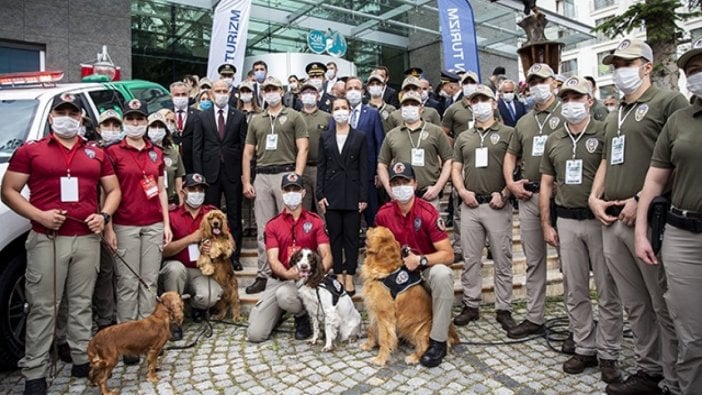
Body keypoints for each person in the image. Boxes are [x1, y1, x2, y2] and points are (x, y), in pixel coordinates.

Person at [587, 37, 688, 395]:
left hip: (644, 217)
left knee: (663, 302)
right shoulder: (616, 111)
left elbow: (678, 158)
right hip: (611, 217)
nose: (619, 71)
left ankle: (677, 378)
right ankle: (649, 368)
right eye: (615, 64)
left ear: (647, 66)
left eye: (627, 63)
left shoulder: (667, 101)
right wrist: (594, 197)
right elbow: (604, 159)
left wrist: (640, 199)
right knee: (635, 302)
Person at [1, 93, 120, 394]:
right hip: (47, 239)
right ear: (52, 117)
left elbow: (113, 189)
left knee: (81, 303)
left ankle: (81, 357)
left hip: (86, 239)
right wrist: (39, 214)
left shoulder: (95, 154)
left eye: (72, 113)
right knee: (44, 307)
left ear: (80, 118)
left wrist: (104, 216)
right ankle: (35, 371)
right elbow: (9, 191)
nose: (67, 117)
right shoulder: (31, 151)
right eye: (61, 112)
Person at [539, 76, 624, 383]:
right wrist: (546, 223)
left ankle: (610, 352)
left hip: (600, 221)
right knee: (575, 290)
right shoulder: (554, 138)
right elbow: (546, 184)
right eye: (566, 99)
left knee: (607, 289)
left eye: (577, 98)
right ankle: (584, 346)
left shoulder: (604, 131)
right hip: (567, 221)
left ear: (590, 100)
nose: (571, 103)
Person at [635, 37, 702, 395]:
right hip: (683, 234)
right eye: (693, 70)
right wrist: (642, 231)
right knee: (690, 330)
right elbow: (655, 179)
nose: (699, 75)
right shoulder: (679, 120)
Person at [104, 99, 172, 366]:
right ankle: (127, 339)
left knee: (149, 282)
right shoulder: (113, 152)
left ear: (146, 122)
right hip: (125, 223)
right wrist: (108, 226)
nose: (135, 124)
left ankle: (147, 337)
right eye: (130, 119)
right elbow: (107, 192)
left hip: (153, 223)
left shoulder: (155, 152)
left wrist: (166, 224)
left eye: (139, 119)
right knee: (127, 284)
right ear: (124, 122)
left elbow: (161, 190)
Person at [503, 63, 566, 340]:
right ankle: (534, 316)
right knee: (534, 260)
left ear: (554, 82)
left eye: (543, 80)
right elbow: (510, 155)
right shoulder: (524, 121)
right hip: (529, 195)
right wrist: (509, 182)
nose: (538, 85)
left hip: (560, 197)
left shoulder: (566, 112)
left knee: (569, 262)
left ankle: (578, 325)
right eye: (533, 81)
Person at [375, 162, 454, 368]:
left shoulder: (427, 212)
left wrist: (421, 260)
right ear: (390, 187)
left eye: (405, 182)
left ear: (415, 183)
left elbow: (448, 254)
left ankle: (437, 342)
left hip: (423, 270)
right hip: (396, 272)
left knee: (442, 274)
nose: (400, 187)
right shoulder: (383, 214)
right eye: (396, 183)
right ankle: (395, 331)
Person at [450, 85, 516, 332]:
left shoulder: (509, 133)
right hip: (471, 204)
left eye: (484, 99)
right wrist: (462, 191)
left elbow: (516, 167)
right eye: (475, 100)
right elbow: (456, 168)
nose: (479, 103)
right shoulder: (465, 137)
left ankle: (504, 308)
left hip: (497, 203)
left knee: (502, 257)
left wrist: (506, 192)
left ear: (494, 102)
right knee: (470, 258)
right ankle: (471, 304)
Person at [242, 76, 309, 294]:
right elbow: (248, 152)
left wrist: (296, 179)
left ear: (282, 91)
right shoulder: (256, 119)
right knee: (264, 229)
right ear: (262, 93)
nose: (270, 92)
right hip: (262, 174)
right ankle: (263, 273)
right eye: (266, 89)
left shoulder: (294, 116)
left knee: (290, 226)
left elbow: (303, 148)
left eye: (274, 89)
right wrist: (246, 179)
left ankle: (290, 269)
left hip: (286, 174)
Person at [247, 173, 332, 342]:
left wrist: (316, 275)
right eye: (287, 190)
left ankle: (302, 317)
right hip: (280, 278)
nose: (291, 193)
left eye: (296, 189)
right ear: (282, 192)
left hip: (307, 279)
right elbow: (272, 259)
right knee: (255, 334)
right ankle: (279, 313)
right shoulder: (273, 225)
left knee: (285, 295)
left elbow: (327, 255)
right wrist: (287, 274)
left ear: (303, 193)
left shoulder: (315, 222)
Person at [193, 79, 248, 272]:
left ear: (230, 92)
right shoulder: (202, 117)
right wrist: (200, 176)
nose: (222, 93)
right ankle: (213, 253)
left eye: (225, 90)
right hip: (210, 174)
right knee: (210, 216)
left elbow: (244, 148)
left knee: (234, 214)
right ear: (211, 93)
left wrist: (244, 174)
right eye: (218, 90)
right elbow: (197, 148)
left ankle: (234, 255)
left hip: (232, 172)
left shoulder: (239, 117)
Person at [316, 97, 368, 295]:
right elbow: (322, 166)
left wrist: (363, 195)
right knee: (335, 237)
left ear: (350, 111)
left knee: (352, 237)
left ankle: (350, 275)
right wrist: (320, 193)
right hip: (331, 193)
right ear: (332, 112)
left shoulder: (359, 137)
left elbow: (364, 167)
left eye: (344, 108)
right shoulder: (325, 137)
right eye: (336, 108)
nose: (340, 111)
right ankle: (338, 273)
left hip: (353, 193)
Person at [160, 173, 223, 336]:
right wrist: (189, 239)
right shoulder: (172, 216)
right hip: (176, 268)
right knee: (175, 269)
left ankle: (193, 307)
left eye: (201, 189)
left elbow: (228, 240)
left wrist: (216, 248)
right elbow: (163, 250)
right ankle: (174, 321)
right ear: (183, 191)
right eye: (192, 189)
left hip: (200, 270)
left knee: (211, 296)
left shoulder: (212, 214)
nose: (197, 193)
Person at [378, 90, 453, 211]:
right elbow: (382, 164)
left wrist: (438, 187)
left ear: (421, 108)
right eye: (406, 104)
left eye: (414, 104)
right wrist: (389, 189)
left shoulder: (435, 131)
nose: (409, 107)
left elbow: (448, 160)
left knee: (430, 229)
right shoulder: (392, 134)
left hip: (428, 195)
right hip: (401, 197)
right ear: (401, 109)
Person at [328, 76, 385, 226]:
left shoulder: (372, 113)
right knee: (348, 219)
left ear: (363, 91)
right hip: (344, 176)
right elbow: (330, 145)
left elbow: (380, 143)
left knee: (372, 217)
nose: (353, 92)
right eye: (349, 88)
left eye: (356, 88)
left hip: (368, 175)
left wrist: (379, 171)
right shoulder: (336, 116)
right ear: (344, 92)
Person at [298, 80, 331, 212]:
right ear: (300, 97)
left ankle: (324, 231)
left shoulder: (327, 117)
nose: (308, 95)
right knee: (303, 208)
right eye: (305, 92)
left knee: (323, 207)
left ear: (318, 96)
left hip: (321, 168)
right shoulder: (295, 117)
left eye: (312, 92)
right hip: (301, 168)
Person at [147, 111, 185, 209]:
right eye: (153, 126)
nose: (157, 130)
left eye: (160, 127)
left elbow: (178, 181)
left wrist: (181, 204)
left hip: (170, 204)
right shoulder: (142, 153)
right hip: (149, 205)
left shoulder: (173, 153)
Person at [171, 81, 201, 174]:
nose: (180, 97)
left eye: (183, 94)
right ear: (171, 96)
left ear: (188, 95)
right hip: (172, 163)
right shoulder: (166, 114)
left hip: (192, 164)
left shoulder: (198, 115)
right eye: (177, 94)